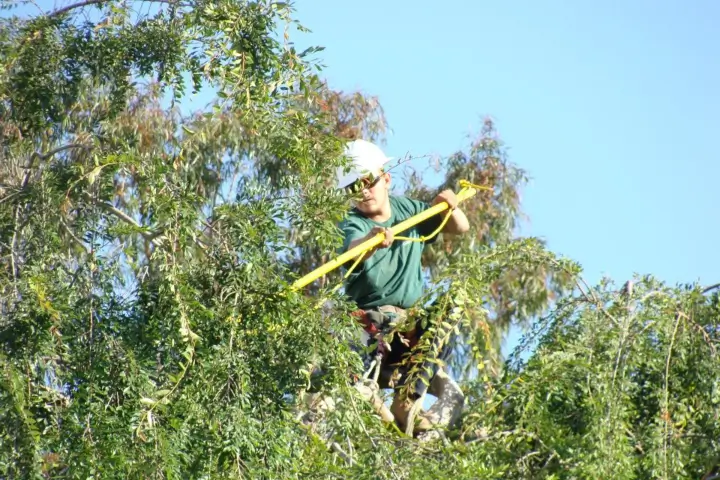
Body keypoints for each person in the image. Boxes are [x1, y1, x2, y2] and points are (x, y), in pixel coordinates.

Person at [336, 139, 470, 433]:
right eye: (353, 188)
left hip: (409, 331)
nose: (364, 192)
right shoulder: (353, 223)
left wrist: (451, 206)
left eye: (368, 181)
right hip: (373, 329)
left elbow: (459, 228)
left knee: (450, 313)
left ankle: (409, 410)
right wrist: (370, 242)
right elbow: (352, 249)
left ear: (386, 178)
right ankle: (387, 417)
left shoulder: (408, 210)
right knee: (356, 386)